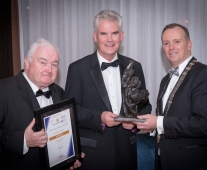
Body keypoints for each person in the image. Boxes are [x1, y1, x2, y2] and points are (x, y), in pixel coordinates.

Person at [64, 10, 151, 170]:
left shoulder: (135, 66)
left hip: (127, 154)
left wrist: (134, 123)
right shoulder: (77, 69)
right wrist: (100, 118)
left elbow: (145, 106)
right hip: (92, 156)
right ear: (95, 36)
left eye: (114, 33)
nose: (110, 39)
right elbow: (70, 111)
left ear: (121, 36)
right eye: (104, 34)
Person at [0, 38, 84, 170]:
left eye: (54, 64)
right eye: (43, 63)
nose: (49, 70)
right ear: (27, 63)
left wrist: (69, 160)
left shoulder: (60, 93)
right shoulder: (4, 90)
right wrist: (23, 141)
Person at [135, 23, 207, 170]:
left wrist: (158, 122)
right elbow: (166, 117)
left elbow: (203, 124)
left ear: (189, 44)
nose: (171, 47)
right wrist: (152, 127)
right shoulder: (165, 80)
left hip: (191, 162)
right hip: (164, 160)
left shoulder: (203, 74)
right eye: (166, 43)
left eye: (177, 41)